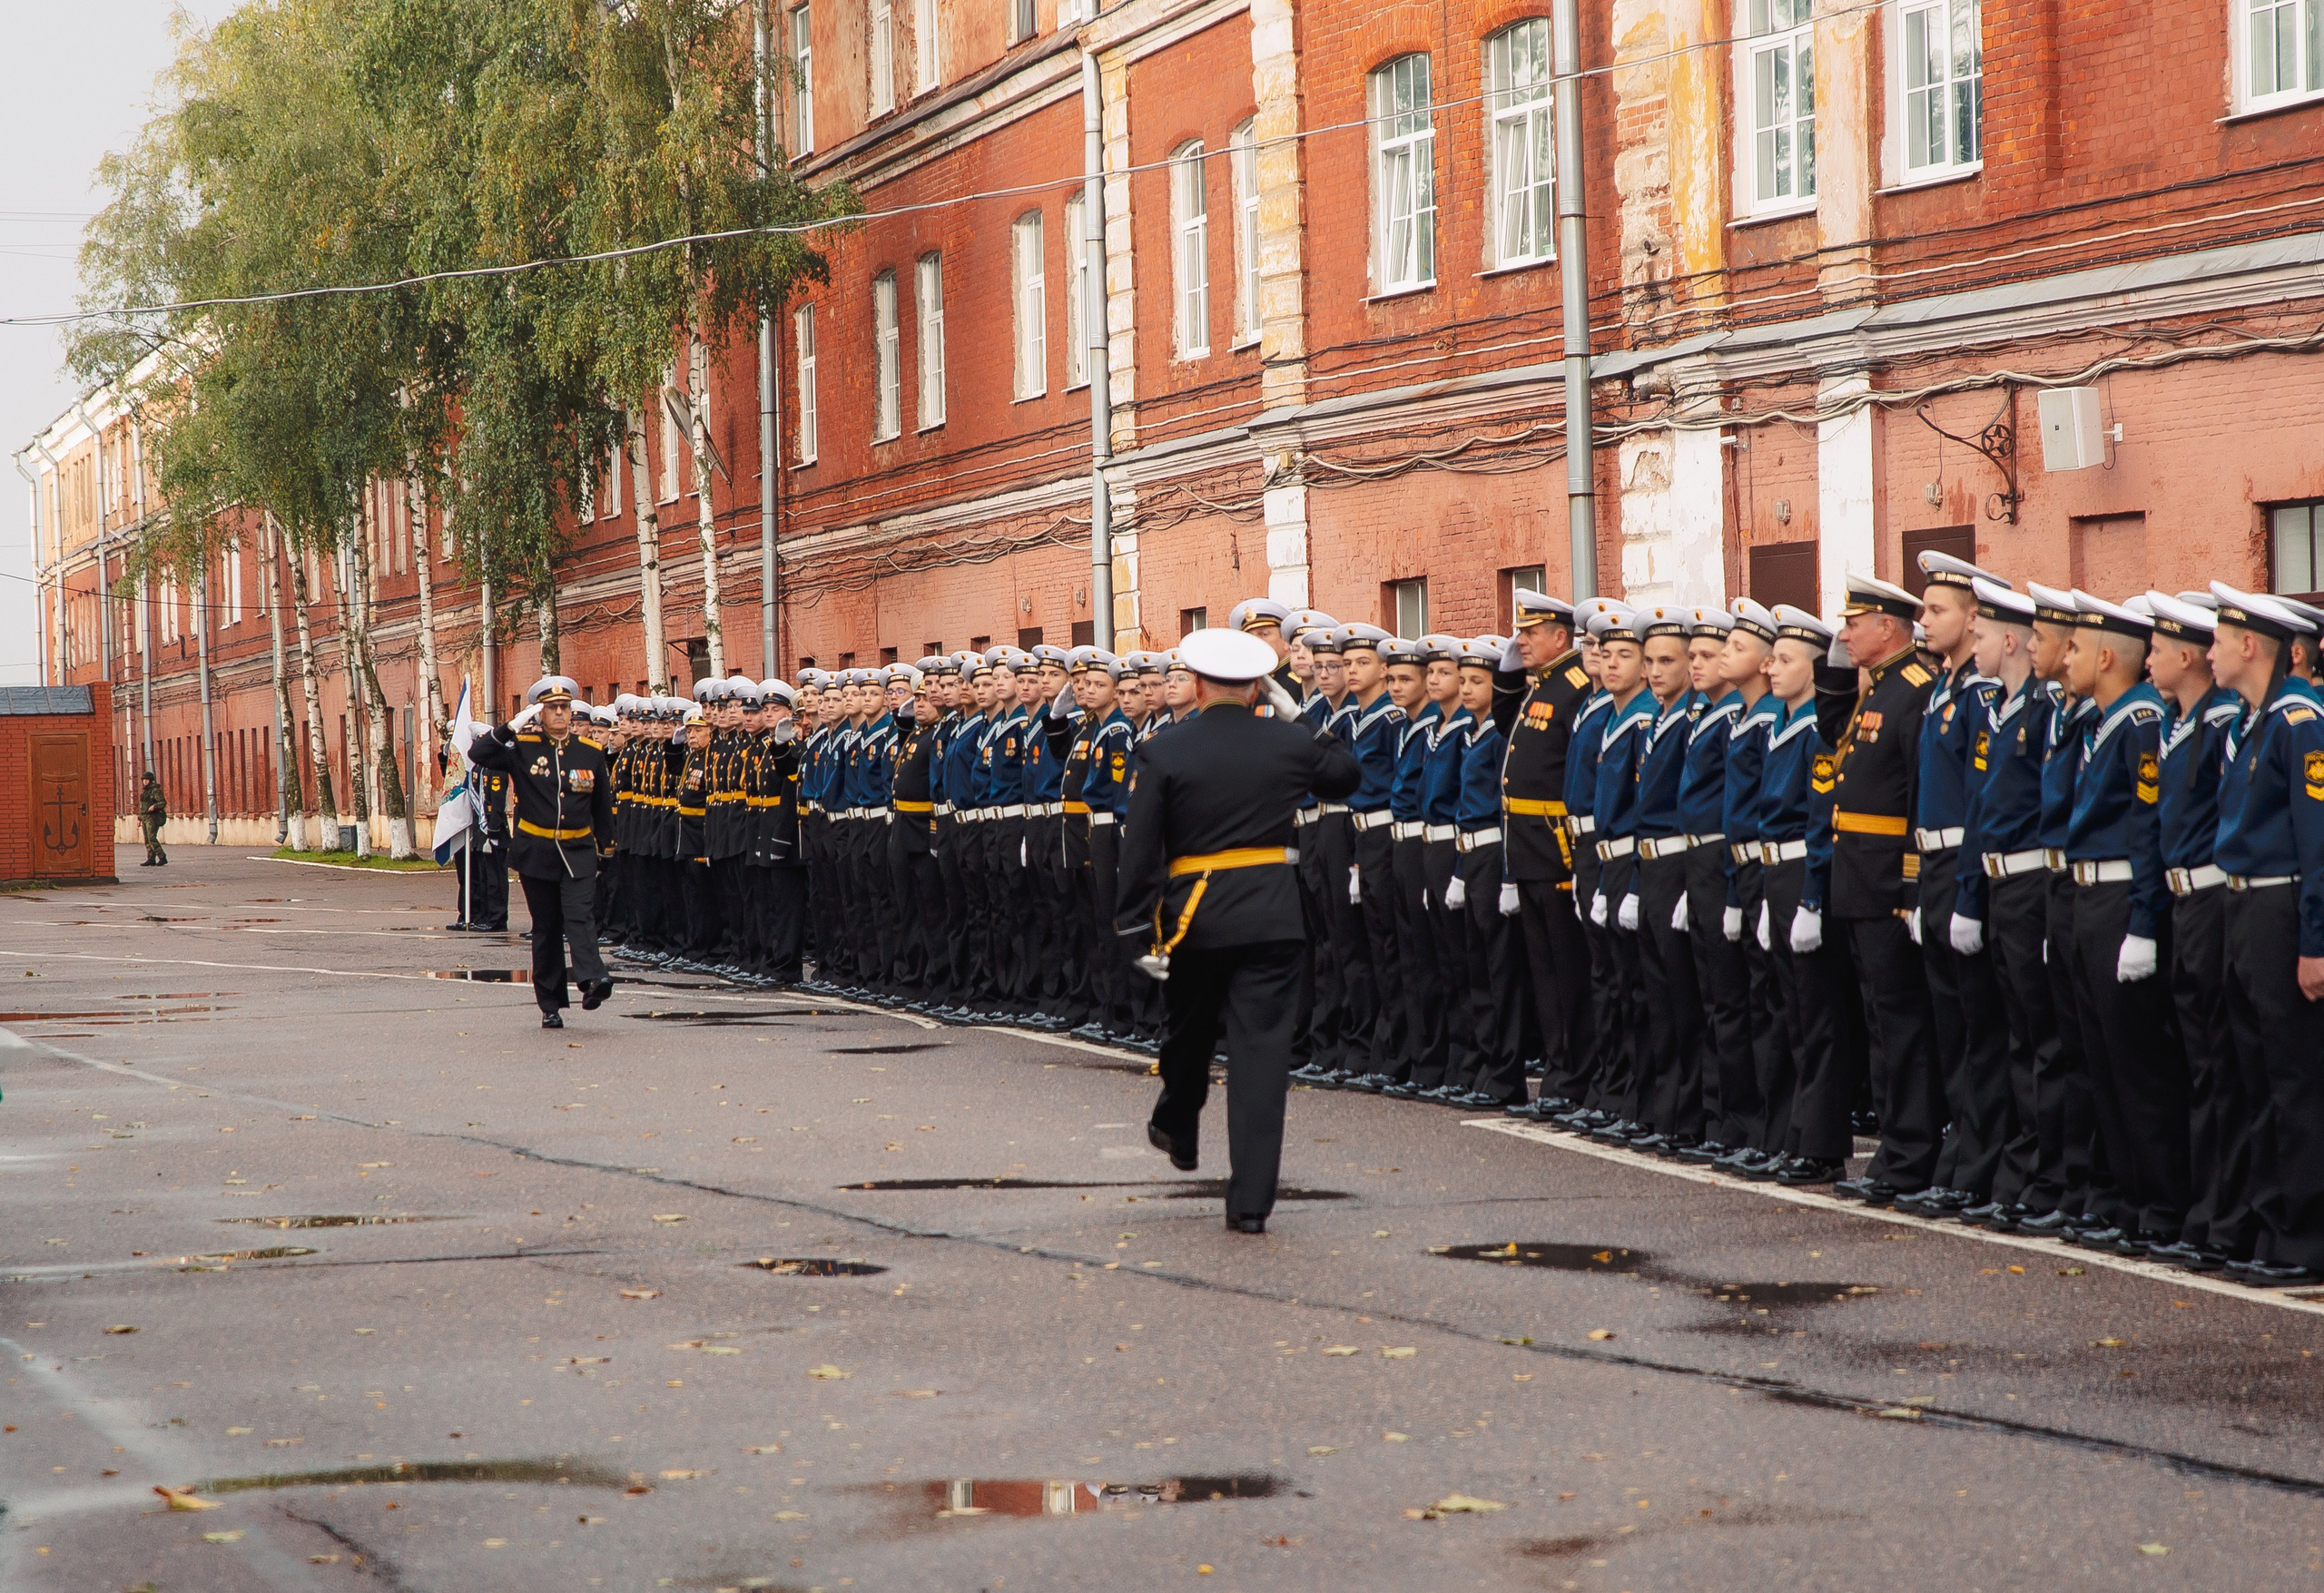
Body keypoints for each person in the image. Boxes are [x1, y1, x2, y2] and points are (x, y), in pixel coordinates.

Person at [1114, 626, 1362, 1233]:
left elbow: (1141, 849)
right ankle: (1250, 1202)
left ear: (1196, 685)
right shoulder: (1286, 741)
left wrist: (1132, 928)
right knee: (1261, 1058)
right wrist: (1298, 715)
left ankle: (1178, 1116)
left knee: (1189, 1034)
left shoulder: (1167, 749)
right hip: (1273, 916)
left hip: (1195, 917)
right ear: (1257, 686)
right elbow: (1345, 774)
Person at [1815, 572, 1945, 1207]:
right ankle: (1895, 1148)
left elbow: (1919, 797)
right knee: (1879, 1022)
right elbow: (1831, 735)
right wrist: (1839, 669)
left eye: (1852, 624)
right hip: (1859, 878)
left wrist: (1910, 888)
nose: (1843, 632)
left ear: (1887, 627)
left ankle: (1911, 1152)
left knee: (1902, 1025)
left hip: (1889, 881)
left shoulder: (1912, 692)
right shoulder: (1881, 691)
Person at [2207, 582, 2324, 1286]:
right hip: (2244, 909)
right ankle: (2270, 1223)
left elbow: (2318, 845)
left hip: (2283, 913)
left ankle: (2307, 1237)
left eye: (2218, 639)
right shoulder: (2252, 722)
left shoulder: (2298, 721)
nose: (2209, 650)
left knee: (2295, 1079)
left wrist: (2316, 940)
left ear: (2251, 644)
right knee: (2253, 1075)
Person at [465, 675, 617, 1028]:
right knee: (547, 928)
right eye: (552, 708)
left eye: (565, 707)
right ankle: (549, 1003)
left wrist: (606, 850)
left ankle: (592, 980)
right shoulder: (524, 748)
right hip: (537, 852)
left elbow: (602, 806)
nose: (561, 714)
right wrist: (513, 725)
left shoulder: (590, 753)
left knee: (580, 916)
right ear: (541, 713)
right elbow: (479, 753)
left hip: (578, 849)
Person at [138, 771, 169, 866]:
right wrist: (139, 818)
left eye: (147, 780)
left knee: (151, 837)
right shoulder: (145, 791)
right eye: (144, 780)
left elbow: (162, 802)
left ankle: (162, 856)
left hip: (153, 817)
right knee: (147, 839)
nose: (145, 782)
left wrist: (155, 806)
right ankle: (151, 858)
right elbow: (142, 806)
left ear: (151, 781)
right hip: (145, 817)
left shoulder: (156, 791)